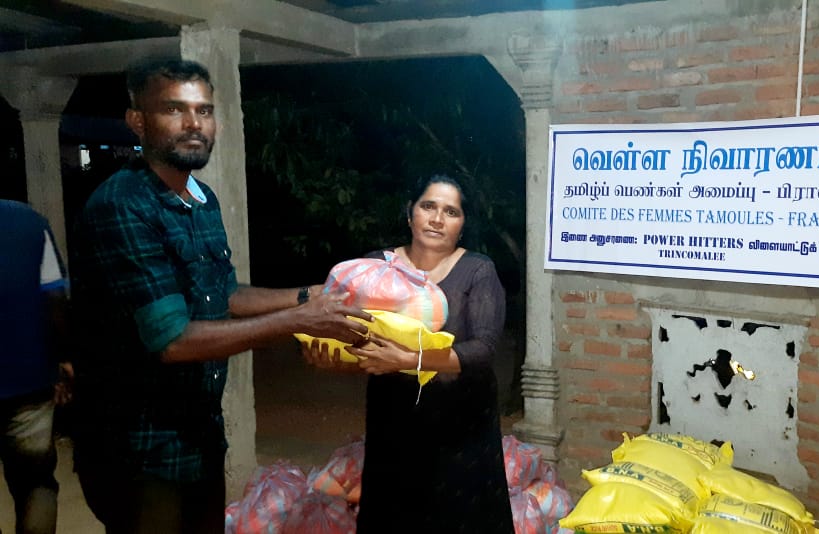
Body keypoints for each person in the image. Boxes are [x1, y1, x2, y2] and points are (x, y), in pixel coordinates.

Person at [69, 58, 373, 534]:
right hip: (139, 446)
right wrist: (301, 320)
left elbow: (224, 295)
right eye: (174, 109)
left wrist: (307, 295)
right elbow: (172, 340)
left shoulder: (201, 199)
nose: (194, 124)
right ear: (137, 121)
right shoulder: (122, 205)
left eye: (204, 111)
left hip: (199, 436)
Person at [304, 175, 515, 533]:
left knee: (462, 519)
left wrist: (410, 360)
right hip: (395, 423)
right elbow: (359, 340)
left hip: (463, 428)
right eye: (428, 206)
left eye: (451, 212)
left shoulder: (477, 270)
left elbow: (483, 349)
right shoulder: (375, 269)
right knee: (395, 515)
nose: (437, 219)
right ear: (410, 213)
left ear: (463, 224)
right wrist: (335, 360)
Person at [0, 200, 70, 534]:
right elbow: (55, 299)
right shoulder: (30, 222)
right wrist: (63, 360)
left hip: (30, 379)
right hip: (30, 383)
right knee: (36, 483)